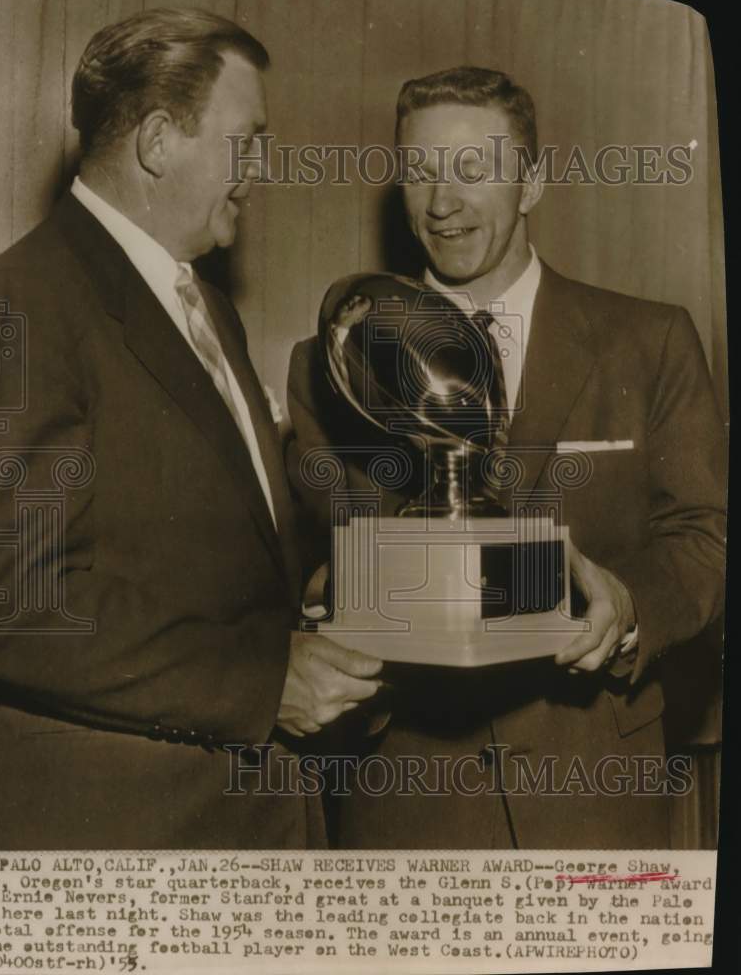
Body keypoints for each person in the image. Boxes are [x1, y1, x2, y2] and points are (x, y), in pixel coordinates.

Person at [0, 7, 382, 850]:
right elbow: (7, 601)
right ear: (157, 141)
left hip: (236, 821)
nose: (258, 171)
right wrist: (261, 683)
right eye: (245, 140)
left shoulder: (203, 305)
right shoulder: (18, 303)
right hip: (117, 836)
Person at [287, 66, 727, 849]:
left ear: (531, 182)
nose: (442, 202)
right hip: (406, 797)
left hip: (598, 791)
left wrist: (626, 607)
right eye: (419, 172)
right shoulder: (332, 362)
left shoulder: (647, 340)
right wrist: (334, 586)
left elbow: (703, 533)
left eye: (472, 170)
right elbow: (319, 557)